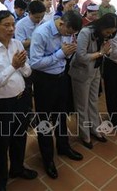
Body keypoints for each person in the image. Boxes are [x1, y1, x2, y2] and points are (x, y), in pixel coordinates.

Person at [0, 11, 38, 190]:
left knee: (20, 137)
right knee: (0, 145)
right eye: (6, 25)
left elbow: (27, 72)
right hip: (1, 105)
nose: (11, 29)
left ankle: (17, 168)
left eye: (13, 24)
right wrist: (13, 66)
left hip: (21, 99)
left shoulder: (17, 43)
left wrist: (23, 66)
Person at [29, 10, 84, 179]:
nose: (69, 36)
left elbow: (64, 54)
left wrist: (69, 52)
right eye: (69, 32)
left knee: (61, 115)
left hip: (61, 77)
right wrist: (61, 54)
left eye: (72, 34)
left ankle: (63, 146)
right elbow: (35, 63)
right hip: (44, 81)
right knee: (44, 119)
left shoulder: (67, 31)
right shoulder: (41, 33)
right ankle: (47, 158)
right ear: (61, 23)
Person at [69, 13, 117, 149]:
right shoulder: (86, 32)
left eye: (112, 33)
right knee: (82, 105)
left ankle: (95, 129)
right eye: (108, 31)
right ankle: (84, 134)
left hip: (95, 70)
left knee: (93, 101)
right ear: (102, 26)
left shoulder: (105, 35)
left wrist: (107, 51)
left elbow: (106, 51)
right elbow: (81, 57)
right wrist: (101, 53)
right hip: (81, 72)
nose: (109, 35)